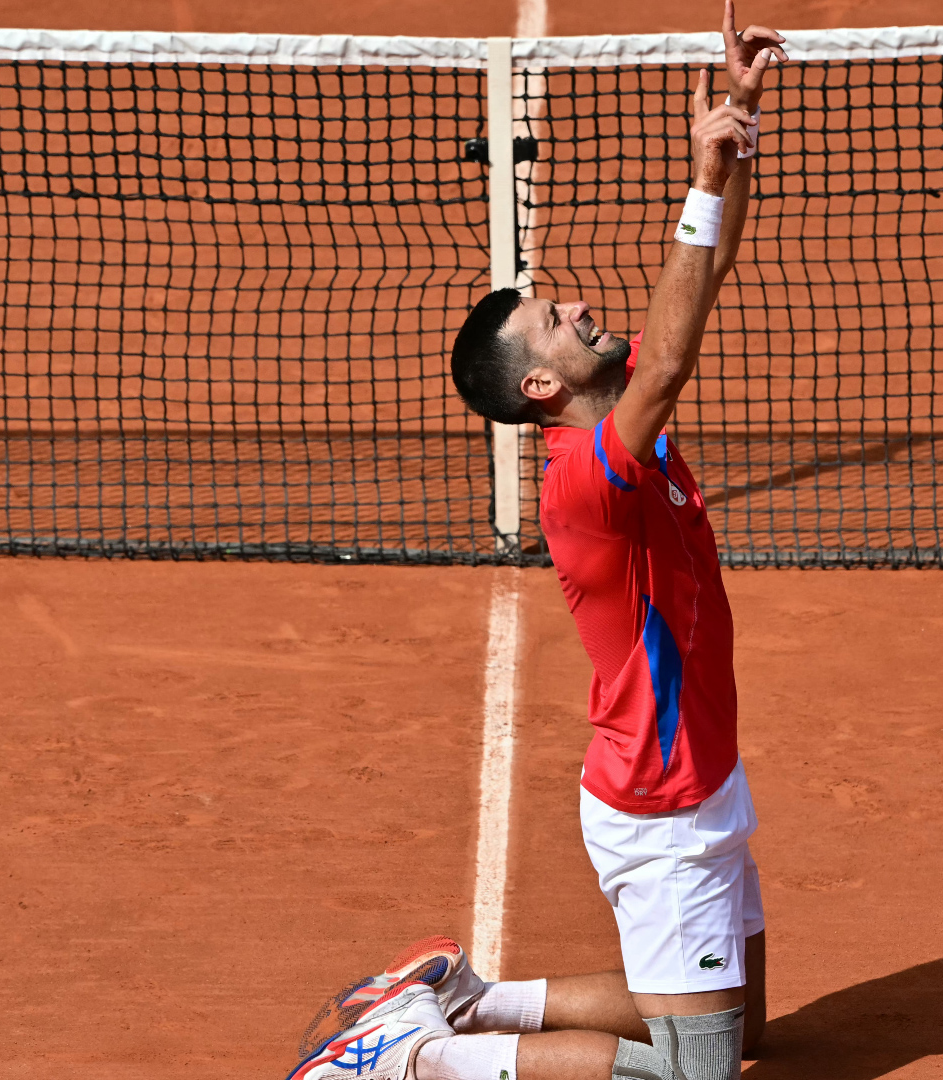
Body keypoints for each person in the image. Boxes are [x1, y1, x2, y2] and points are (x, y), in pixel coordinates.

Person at [284, 6, 785, 1079]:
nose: (585, 307)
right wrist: (702, 174)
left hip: (698, 772)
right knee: (703, 1077)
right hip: (664, 803)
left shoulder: (616, 435)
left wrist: (733, 120)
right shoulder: (591, 478)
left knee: (746, 1036)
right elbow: (670, 361)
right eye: (558, 319)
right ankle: (417, 1062)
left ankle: (465, 1002)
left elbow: (702, 287)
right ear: (545, 387)